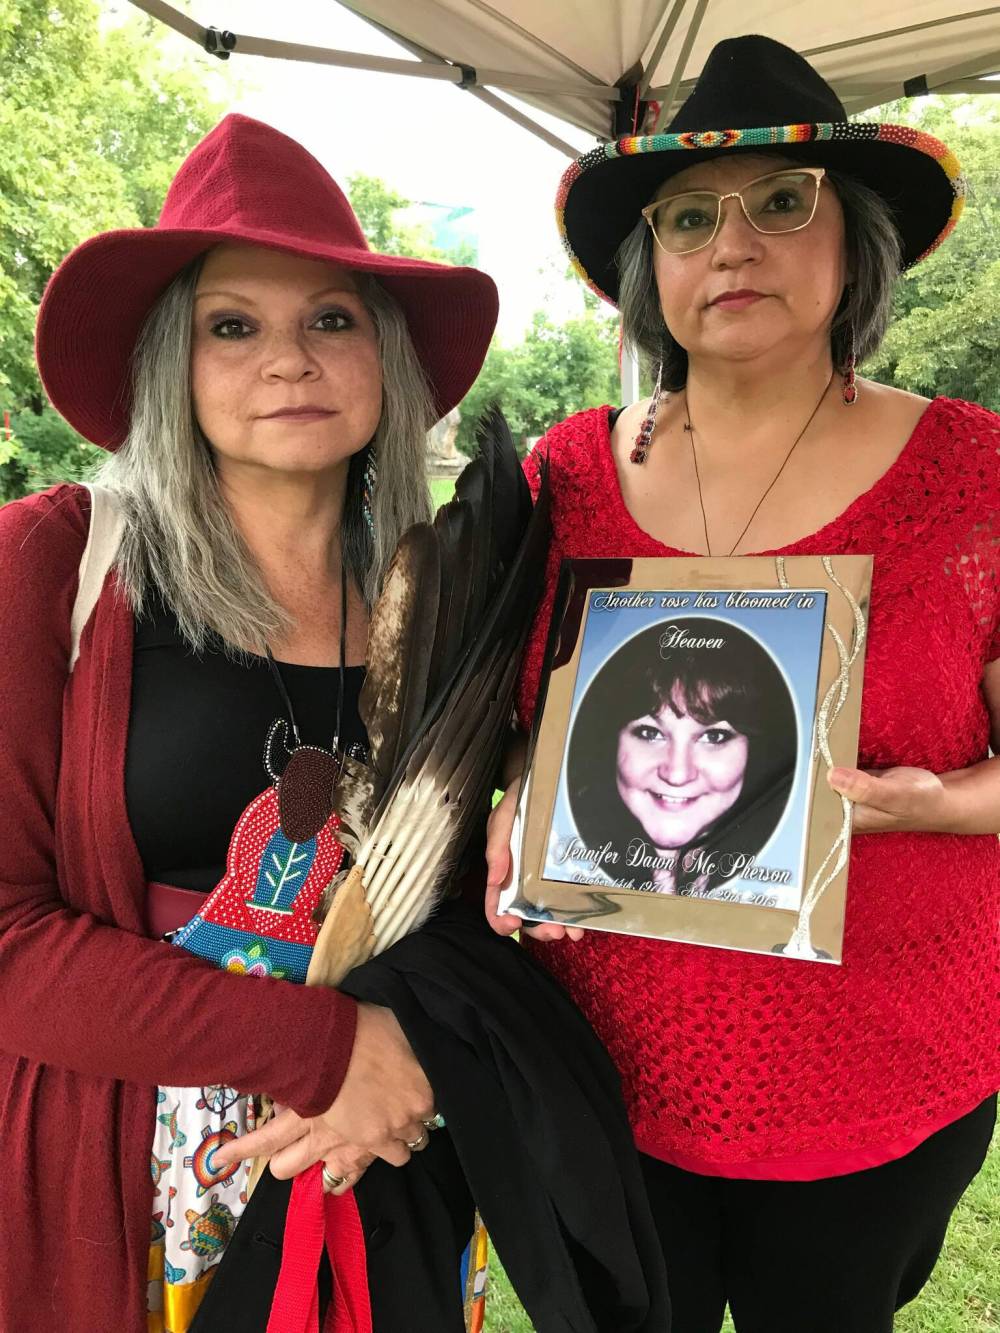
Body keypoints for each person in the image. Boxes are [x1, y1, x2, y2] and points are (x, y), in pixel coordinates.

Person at [487, 35, 999, 1333]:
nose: (733, 243)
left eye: (784, 201)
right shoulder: (567, 477)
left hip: (883, 1073)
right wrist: (504, 813)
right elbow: (501, 727)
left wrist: (942, 802)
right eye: (688, 216)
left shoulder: (972, 477)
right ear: (648, 264)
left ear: (855, 238)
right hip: (602, 1077)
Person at [0, 113, 498, 1331]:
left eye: (331, 318)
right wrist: (324, 1050)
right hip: (126, 1168)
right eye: (233, 326)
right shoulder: (52, 566)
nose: (289, 360)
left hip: (383, 1147)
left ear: (386, 357)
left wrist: (404, 1055)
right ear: (173, 364)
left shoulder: (446, 598)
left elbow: (469, 880)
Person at [566, 619, 796, 898]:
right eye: (650, 733)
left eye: (714, 737)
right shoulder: (562, 860)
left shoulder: (786, 872)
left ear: (754, 751)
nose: (676, 773)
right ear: (611, 740)